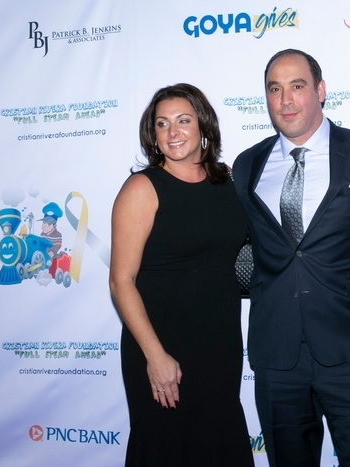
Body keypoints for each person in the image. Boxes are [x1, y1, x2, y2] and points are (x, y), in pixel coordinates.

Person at [232, 49, 350, 467]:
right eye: (275, 89)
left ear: (320, 90)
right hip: (276, 356)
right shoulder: (246, 165)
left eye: (297, 86)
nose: (286, 100)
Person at [109, 83, 253, 466]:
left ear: (203, 125)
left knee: (218, 444)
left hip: (219, 345)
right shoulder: (142, 188)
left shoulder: (228, 182)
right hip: (161, 344)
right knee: (166, 446)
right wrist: (155, 356)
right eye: (162, 123)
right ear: (153, 134)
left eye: (183, 120)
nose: (173, 132)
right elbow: (121, 281)